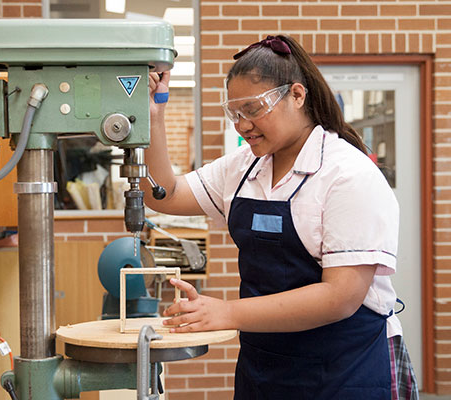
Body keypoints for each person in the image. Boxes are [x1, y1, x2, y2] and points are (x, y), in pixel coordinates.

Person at [143, 35, 418, 399]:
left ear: (297, 96)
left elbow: (340, 297)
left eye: (254, 110)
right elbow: (165, 194)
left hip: (344, 371)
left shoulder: (347, 175)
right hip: (266, 370)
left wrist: (227, 312)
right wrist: (153, 116)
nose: (242, 125)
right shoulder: (244, 167)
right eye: (235, 113)